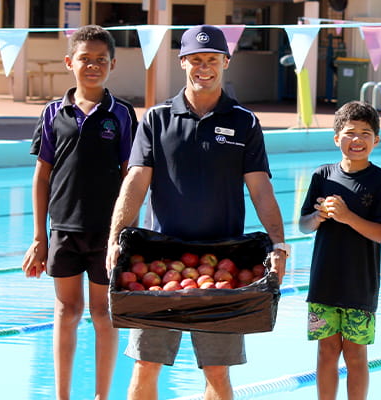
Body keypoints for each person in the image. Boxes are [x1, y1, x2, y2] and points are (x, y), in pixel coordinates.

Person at [105, 25, 289, 400]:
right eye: (195, 59)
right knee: (145, 366)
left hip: (225, 265)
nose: (203, 67)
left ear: (225, 62)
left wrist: (278, 243)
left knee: (217, 373)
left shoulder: (244, 121)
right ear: (182, 62)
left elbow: (261, 189)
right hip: (157, 263)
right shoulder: (157, 119)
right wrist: (115, 239)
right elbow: (135, 183)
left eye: (212, 59)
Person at [21, 25, 137, 400]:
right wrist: (40, 237)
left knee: (103, 315)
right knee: (66, 312)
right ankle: (63, 396)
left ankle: (103, 396)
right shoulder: (54, 112)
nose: (92, 66)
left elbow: (130, 177)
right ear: (70, 62)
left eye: (100, 60)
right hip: (64, 230)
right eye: (85, 59)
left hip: (106, 233)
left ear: (112, 64)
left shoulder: (121, 114)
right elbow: (42, 177)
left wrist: (125, 235)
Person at [298, 101, 381, 400]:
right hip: (324, 284)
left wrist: (348, 217)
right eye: (350, 133)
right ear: (336, 137)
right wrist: (318, 217)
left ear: (376, 140)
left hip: (360, 286)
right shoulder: (321, 176)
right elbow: (303, 225)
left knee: (355, 356)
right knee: (326, 353)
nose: (357, 140)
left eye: (365, 133)